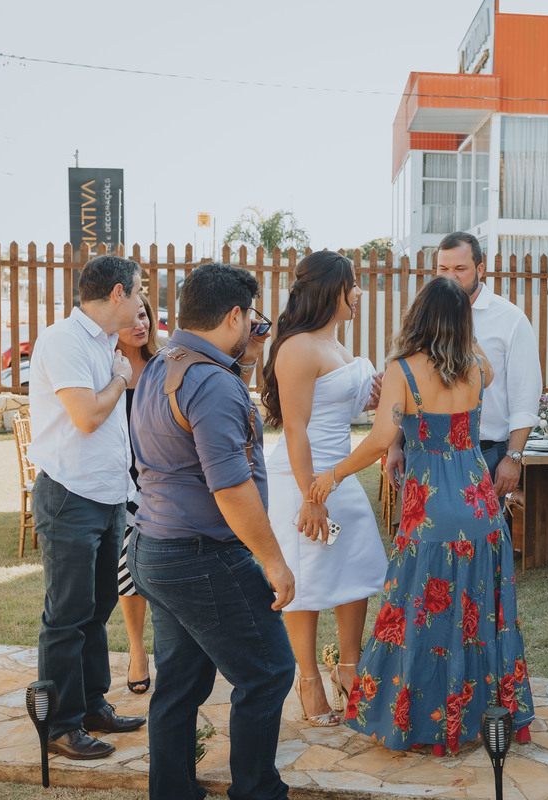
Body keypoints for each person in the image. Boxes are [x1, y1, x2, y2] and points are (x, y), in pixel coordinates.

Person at [306, 276, 534, 753]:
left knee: (416, 615)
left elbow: (379, 439)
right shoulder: (477, 368)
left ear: (418, 317)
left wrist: (333, 474)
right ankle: (483, 713)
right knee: (478, 616)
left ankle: (418, 720)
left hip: (429, 509)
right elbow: (485, 365)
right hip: (480, 506)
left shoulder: (402, 370)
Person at [128, 262, 296, 800]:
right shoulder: (212, 384)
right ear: (234, 316)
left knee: (180, 682)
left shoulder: (162, 365)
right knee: (268, 671)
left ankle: (172, 791)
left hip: (153, 548)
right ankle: (257, 791)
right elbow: (231, 488)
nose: (255, 326)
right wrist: (273, 560)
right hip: (200, 557)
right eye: (251, 317)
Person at [28, 253, 147, 760]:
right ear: (118, 293)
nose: (142, 302)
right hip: (69, 495)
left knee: (97, 610)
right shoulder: (64, 340)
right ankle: (60, 726)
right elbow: (86, 417)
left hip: (107, 495)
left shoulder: (104, 343)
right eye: (139, 291)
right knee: (67, 616)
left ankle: (93, 705)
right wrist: (120, 379)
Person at [261, 251, 385, 727]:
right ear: (332, 290)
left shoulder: (336, 344)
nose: (359, 293)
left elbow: (342, 408)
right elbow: (295, 428)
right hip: (303, 478)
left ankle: (349, 668)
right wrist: (311, 497)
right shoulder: (298, 347)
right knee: (308, 578)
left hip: (341, 477)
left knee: (356, 569)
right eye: (352, 285)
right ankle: (309, 679)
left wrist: (372, 397)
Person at [387, 232, 542, 501]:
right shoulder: (425, 317)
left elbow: (525, 398)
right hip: (423, 452)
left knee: (480, 527)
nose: (450, 277)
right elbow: (406, 389)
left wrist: (513, 457)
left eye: (460, 268)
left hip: (485, 453)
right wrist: (394, 446)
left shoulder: (511, 320)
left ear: (480, 269)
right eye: (443, 269)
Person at [113, 297, 159, 695]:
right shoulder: (106, 369)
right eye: (131, 318)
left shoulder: (163, 366)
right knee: (126, 572)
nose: (139, 324)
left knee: (164, 570)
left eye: (143, 315)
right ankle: (137, 649)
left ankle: (172, 651)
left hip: (163, 483)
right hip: (121, 482)